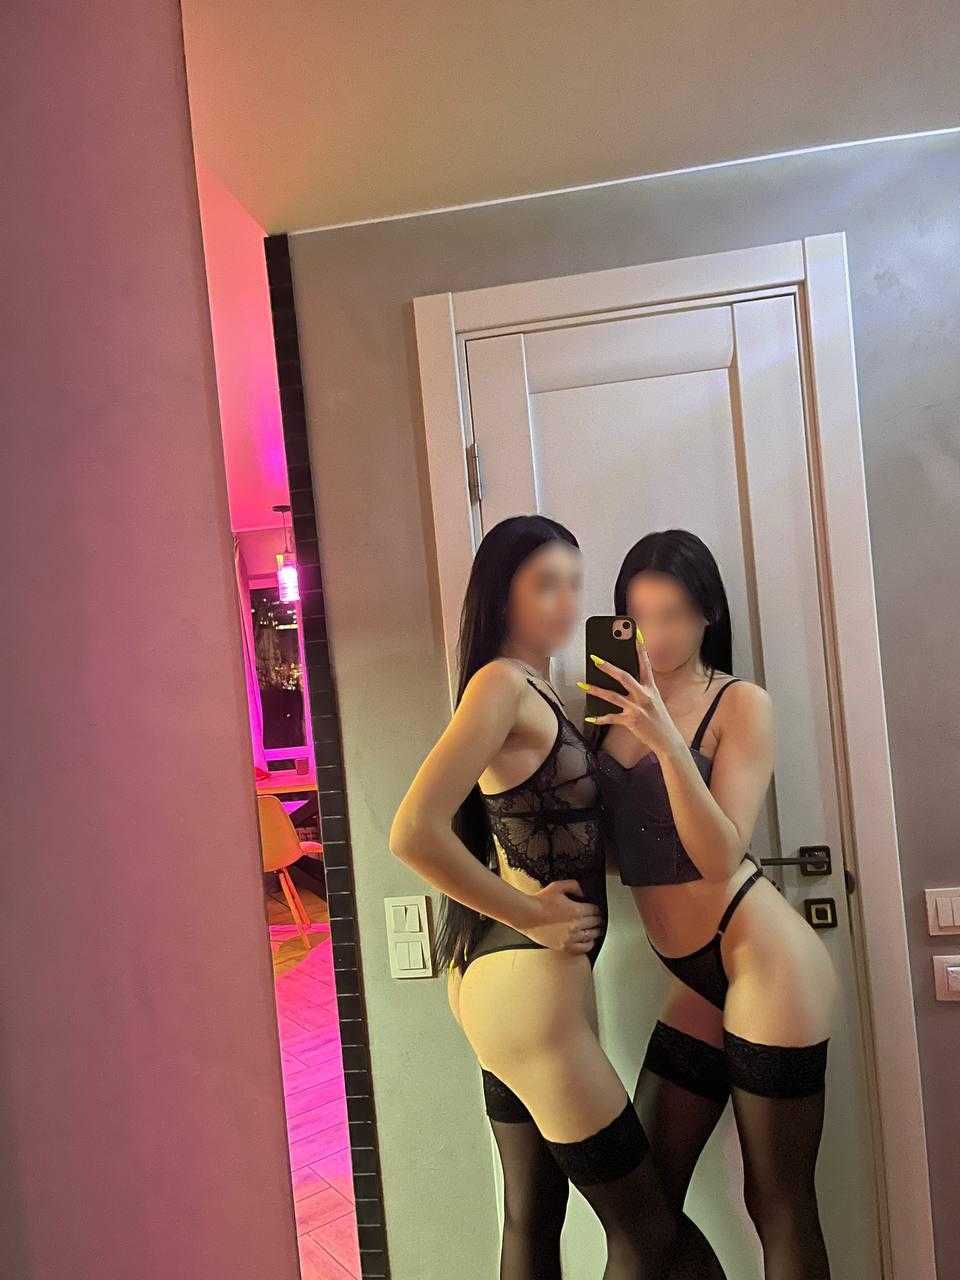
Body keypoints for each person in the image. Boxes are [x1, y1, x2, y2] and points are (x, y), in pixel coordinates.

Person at [389, 515, 676, 1280]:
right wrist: (532, 915)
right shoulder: (501, 684)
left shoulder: (540, 689)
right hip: (527, 982)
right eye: (545, 584)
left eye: (575, 584)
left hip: (506, 981)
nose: (566, 601)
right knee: (649, 1235)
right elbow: (412, 832)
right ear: (501, 596)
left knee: (533, 1217)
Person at [581, 529, 836, 1280]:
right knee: (646, 1204)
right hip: (693, 978)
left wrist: (666, 741)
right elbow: (623, 850)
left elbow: (721, 854)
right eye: (639, 618)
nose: (656, 636)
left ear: (708, 614)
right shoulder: (610, 707)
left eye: (673, 615)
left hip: (763, 958)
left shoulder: (739, 703)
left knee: (777, 1201)